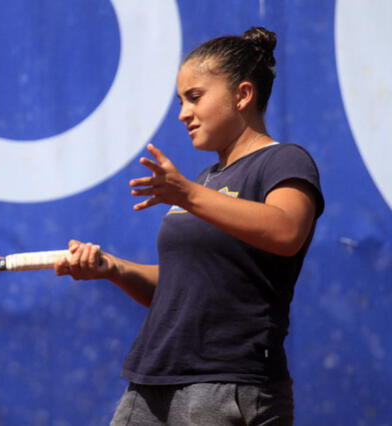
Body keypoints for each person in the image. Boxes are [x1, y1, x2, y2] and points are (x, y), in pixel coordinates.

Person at [54, 27, 324, 426]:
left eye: (194, 97)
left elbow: (286, 232)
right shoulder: (204, 180)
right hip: (151, 382)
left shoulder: (285, 161)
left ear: (242, 95)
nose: (182, 113)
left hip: (229, 385)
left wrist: (187, 196)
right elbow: (182, 286)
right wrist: (113, 268)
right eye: (181, 101)